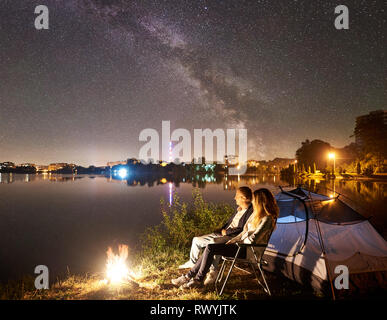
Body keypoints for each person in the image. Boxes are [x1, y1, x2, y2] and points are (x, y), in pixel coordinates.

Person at [171, 188, 279, 289]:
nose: (253, 202)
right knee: (210, 247)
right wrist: (233, 240)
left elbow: (253, 239)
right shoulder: (255, 216)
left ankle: (196, 279)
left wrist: (238, 243)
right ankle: (190, 277)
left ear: (260, 201)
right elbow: (244, 232)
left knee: (210, 248)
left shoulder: (267, 219)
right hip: (240, 247)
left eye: (254, 200)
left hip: (249, 251)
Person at [177, 186, 253, 285]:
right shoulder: (239, 209)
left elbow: (242, 230)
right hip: (223, 233)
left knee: (212, 244)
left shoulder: (251, 212)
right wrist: (220, 230)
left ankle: (212, 271)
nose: (234, 198)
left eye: (237, 196)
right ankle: (192, 265)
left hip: (232, 238)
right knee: (196, 240)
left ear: (243, 198)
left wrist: (227, 232)